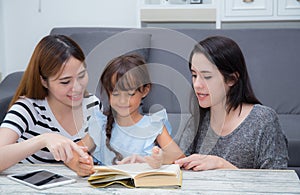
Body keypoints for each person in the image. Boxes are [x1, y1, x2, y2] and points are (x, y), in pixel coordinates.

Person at [175, 36, 288, 170]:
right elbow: (181, 167)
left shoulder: (263, 121)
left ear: (232, 79)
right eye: (194, 75)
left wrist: (222, 165)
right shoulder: (197, 121)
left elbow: (277, 183)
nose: (197, 84)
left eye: (207, 76)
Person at [0, 35, 99, 176]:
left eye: (82, 75)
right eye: (65, 82)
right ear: (44, 81)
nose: (77, 87)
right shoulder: (28, 109)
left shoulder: (93, 105)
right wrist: (43, 139)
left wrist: (81, 163)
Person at [85, 54, 184, 168]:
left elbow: (180, 159)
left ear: (145, 91)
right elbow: (76, 152)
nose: (122, 101)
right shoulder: (100, 124)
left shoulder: (154, 124)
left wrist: (160, 159)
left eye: (130, 94)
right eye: (116, 94)